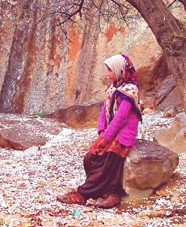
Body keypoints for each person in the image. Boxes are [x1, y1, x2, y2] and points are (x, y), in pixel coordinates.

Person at [58, 53, 143, 209]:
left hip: (123, 133)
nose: (108, 74)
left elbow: (121, 117)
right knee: (90, 158)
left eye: (110, 70)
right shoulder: (114, 88)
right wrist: (101, 132)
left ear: (120, 71)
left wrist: (107, 138)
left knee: (107, 161)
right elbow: (104, 111)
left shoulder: (130, 90)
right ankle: (107, 192)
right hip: (111, 132)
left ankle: (84, 194)